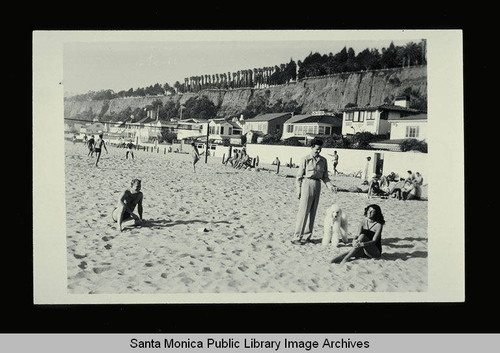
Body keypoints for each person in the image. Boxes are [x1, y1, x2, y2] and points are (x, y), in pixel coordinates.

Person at [292, 138, 337, 245]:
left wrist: (330, 186)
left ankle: (307, 237)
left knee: (313, 212)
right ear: (312, 147)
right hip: (307, 184)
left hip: (317, 185)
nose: (318, 151)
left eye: (320, 149)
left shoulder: (323, 161)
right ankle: (297, 237)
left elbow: (325, 177)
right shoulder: (305, 159)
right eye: (317, 149)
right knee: (303, 212)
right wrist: (298, 189)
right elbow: (299, 176)